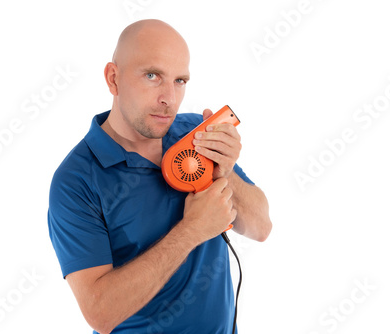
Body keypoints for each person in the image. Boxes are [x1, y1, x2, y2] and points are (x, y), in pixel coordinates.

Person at [48, 19, 272, 334]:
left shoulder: (196, 134)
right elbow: (100, 313)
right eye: (152, 76)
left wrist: (226, 171)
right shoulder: (76, 181)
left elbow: (261, 227)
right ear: (114, 79)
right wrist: (191, 231)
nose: (169, 98)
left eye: (180, 80)